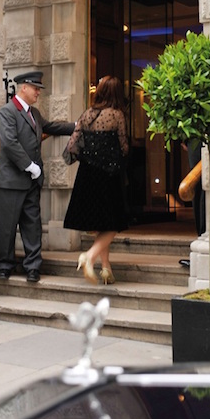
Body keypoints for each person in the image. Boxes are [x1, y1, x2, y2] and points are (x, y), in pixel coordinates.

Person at [0, 71, 75, 282]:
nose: (38, 92)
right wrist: (29, 165)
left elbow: (51, 127)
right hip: (12, 181)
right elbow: (10, 143)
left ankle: (33, 267)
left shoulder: (34, 113)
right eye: (35, 88)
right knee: (7, 226)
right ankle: (4, 266)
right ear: (23, 88)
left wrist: (77, 126)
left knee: (32, 225)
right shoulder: (7, 112)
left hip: (31, 181)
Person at [63, 75, 129, 285]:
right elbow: (124, 147)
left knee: (101, 224)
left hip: (87, 175)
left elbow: (72, 148)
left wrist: (90, 153)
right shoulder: (117, 115)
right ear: (117, 94)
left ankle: (106, 269)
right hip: (107, 175)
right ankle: (89, 257)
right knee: (114, 224)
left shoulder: (86, 114)